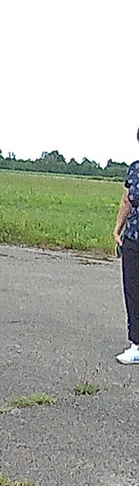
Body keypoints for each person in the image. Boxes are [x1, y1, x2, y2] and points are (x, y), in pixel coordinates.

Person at [114, 129, 139, 364]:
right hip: (133, 238)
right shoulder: (135, 169)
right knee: (133, 290)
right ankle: (136, 344)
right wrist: (117, 229)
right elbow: (126, 201)